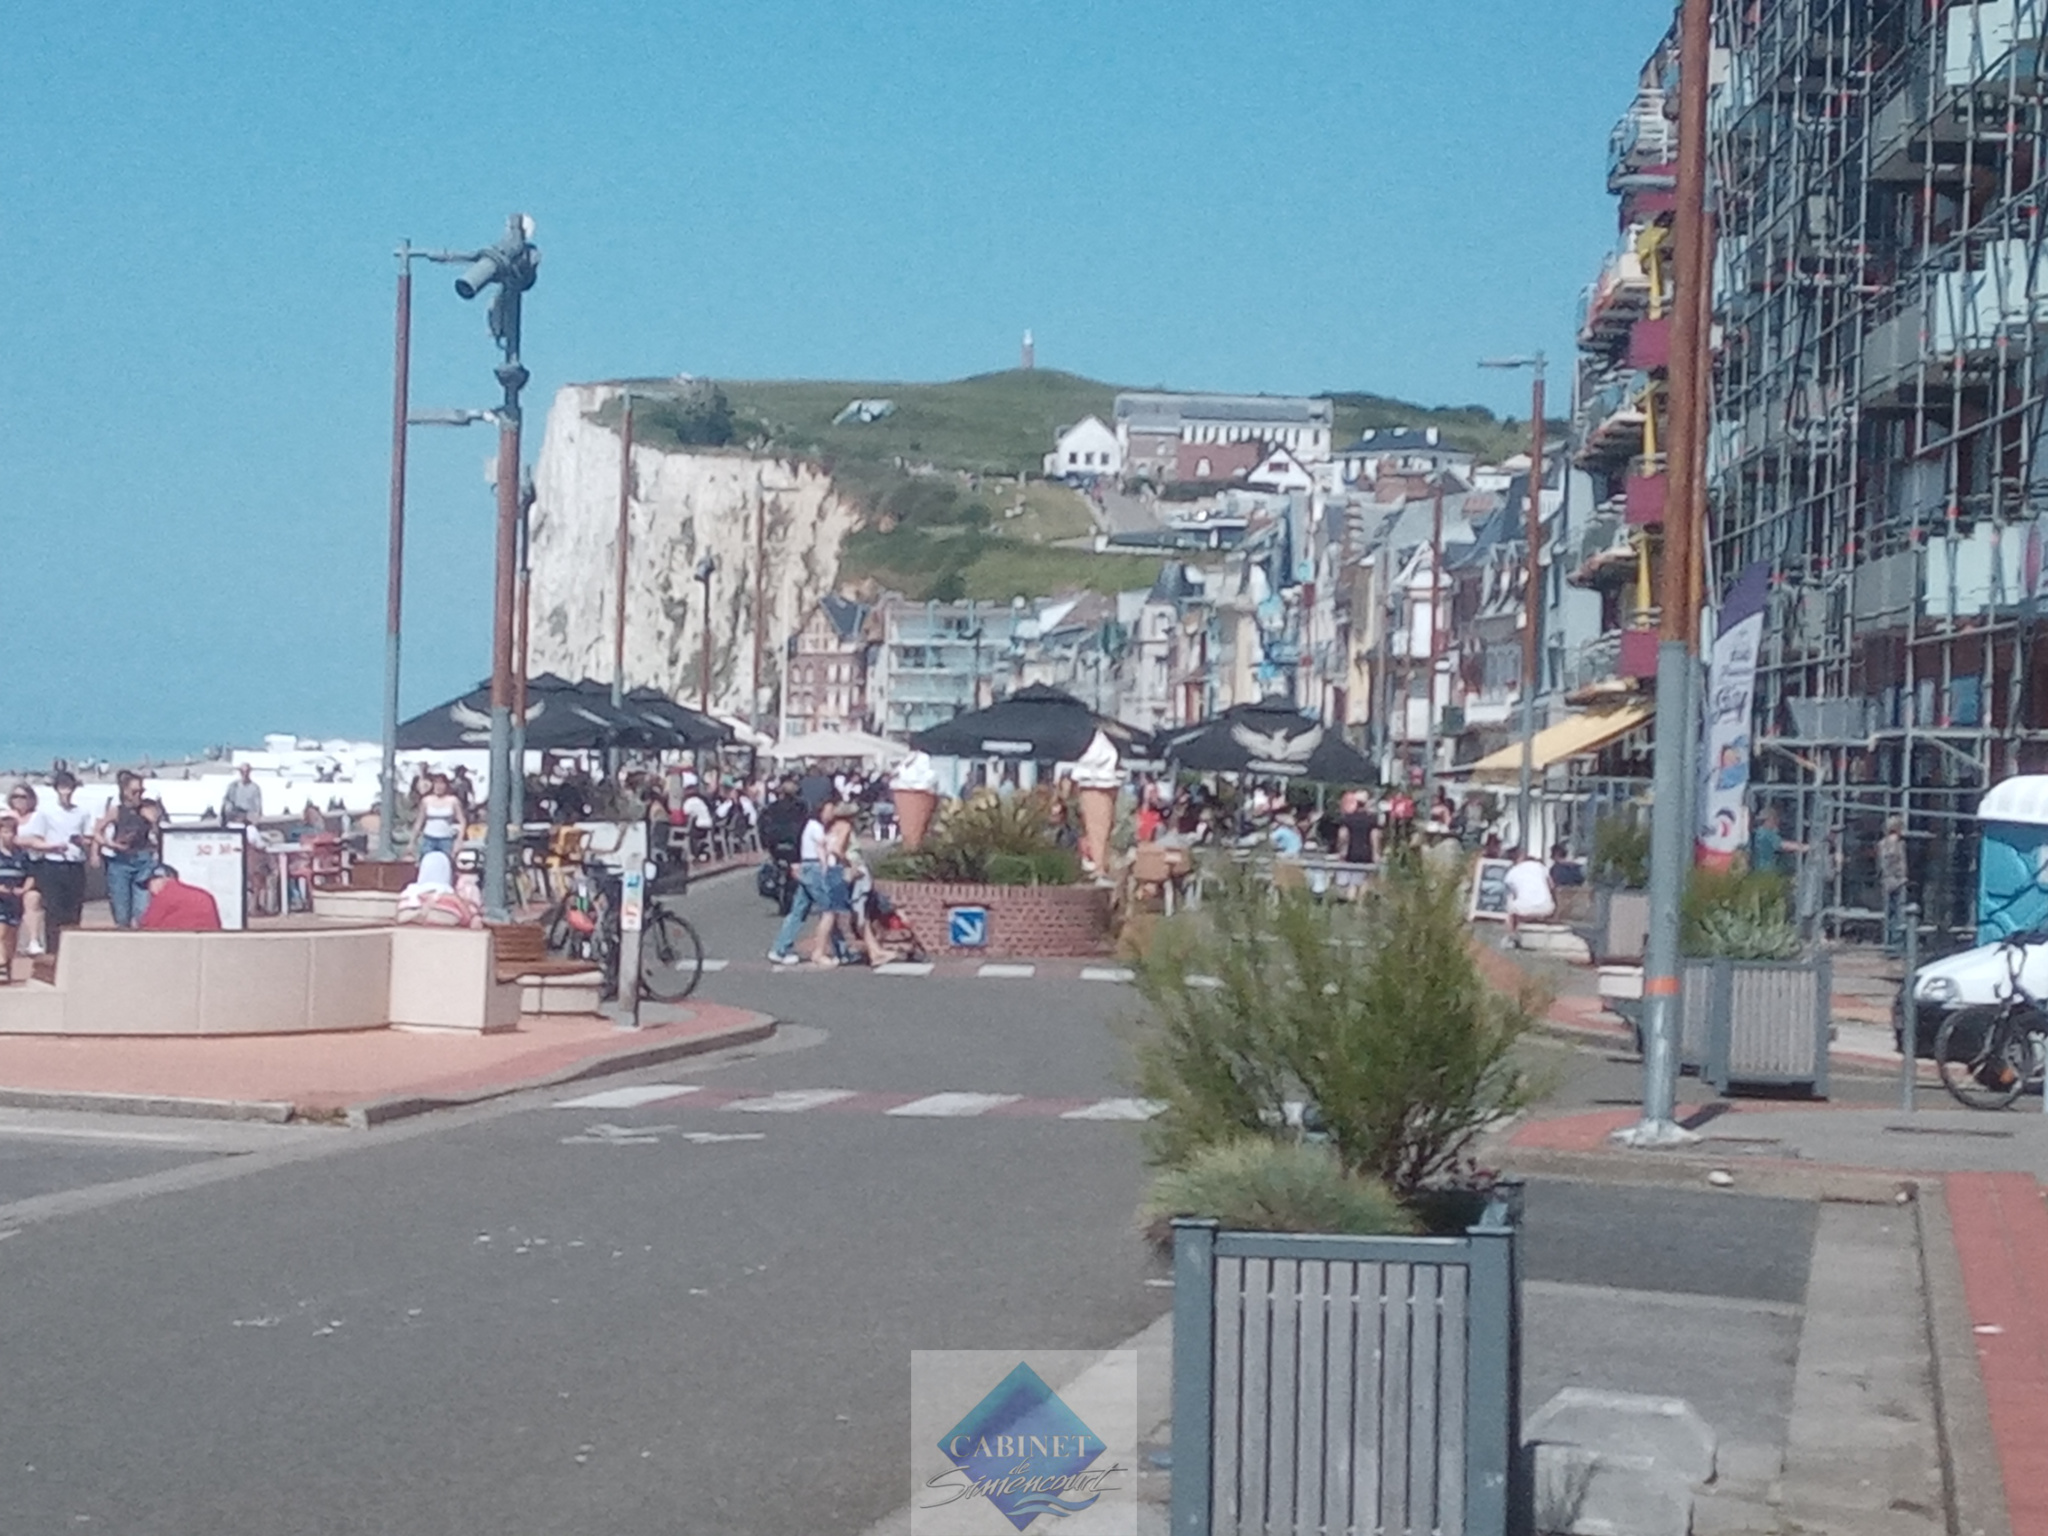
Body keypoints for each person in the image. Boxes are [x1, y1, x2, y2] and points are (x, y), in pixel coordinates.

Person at [18, 770, 92, 951]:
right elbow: (36, 838)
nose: (66, 790)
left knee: (74, 909)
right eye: (62, 786)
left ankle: (71, 950)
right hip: (52, 864)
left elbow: (89, 838)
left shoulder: (82, 812)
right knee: (53, 910)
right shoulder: (46, 812)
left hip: (75, 865)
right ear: (56, 789)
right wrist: (51, 847)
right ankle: (53, 950)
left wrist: (81, 841)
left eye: (69, 786)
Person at [769, 799, 831, 965]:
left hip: (807, 867)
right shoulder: (815, 827)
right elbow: (822, 847)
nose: (830, 814)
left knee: (798, 911)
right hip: (814, 867)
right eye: (829, 810)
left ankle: (780, 948)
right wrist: (826, 868)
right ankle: (832, 950)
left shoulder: (809, 825)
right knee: (829, 909)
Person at [97, 773, 159, 929]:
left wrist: (153, 821)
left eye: (141, 791)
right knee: (122, 912)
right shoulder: (116, 811)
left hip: (143, 861)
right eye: (134, 792)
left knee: (142, 911)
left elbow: (159, 832)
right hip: (121, 861)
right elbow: (97, 831)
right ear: (125, 792)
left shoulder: (147, 809)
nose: (138, 795)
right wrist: (110, 844)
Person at [811, 804, 859, 966]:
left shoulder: (831, 828)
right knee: (831, 913)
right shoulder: (845, 827)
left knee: (830, 912)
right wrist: (849, 863)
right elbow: (837, 849)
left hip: (829, 869)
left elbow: (822, 846)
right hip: (837, 869)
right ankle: (819, 951)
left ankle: (836, 949)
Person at [0, 809, 35, 982]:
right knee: (1, 931)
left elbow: (30, 875)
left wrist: (24, 889)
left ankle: (9, 965)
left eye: (11, 832)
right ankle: (0, 964)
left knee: (12, 936)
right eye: (5, 832)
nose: (8, 836)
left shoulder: (22, 854)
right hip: (1, 899)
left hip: (15, 900)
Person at [137, 864, 222, 931]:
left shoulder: (164, 896)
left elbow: (148, 927)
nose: (149, 890)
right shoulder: (205, 894)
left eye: (149, 884)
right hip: (209, 943)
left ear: (159, 879)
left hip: (178, 944)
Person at [1503, 846, 1557, 944]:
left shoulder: (1511, 873)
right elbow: (1552, 886)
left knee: (1510, 902)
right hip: (1547, 908)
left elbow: (1514, 894)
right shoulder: (1540, 867)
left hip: (1524, 910)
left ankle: (1512, 935)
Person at [1880, 815, 1910, 955]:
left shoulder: (1882, 844)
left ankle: (1890, 944)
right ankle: (1896, 946)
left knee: (1890, 914)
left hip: (1887, 881)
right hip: (1898, 882)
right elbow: (1899, 865)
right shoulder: (1898, 844)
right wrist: (1901, 877)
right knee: (1898, 914)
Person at [415, 773, 463, 861]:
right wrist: (412, 841)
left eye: (441, 783)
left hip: (446, 839)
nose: (439, 786)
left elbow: (462, 821)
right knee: (426, 863)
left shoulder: (453, 801)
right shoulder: (426, 801)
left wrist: (459, 840)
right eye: (436, 783)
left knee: (447, 863)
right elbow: (419, 822)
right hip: (429, 839)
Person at [1748, 805, 1804, 877]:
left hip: (1757, 871)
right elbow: (1785, 846)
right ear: (1770, 819)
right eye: (1776, 818)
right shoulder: (1767, 834)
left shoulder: (1757, 833)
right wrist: (1805, 847)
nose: (1778, 821)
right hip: (1767, 872)